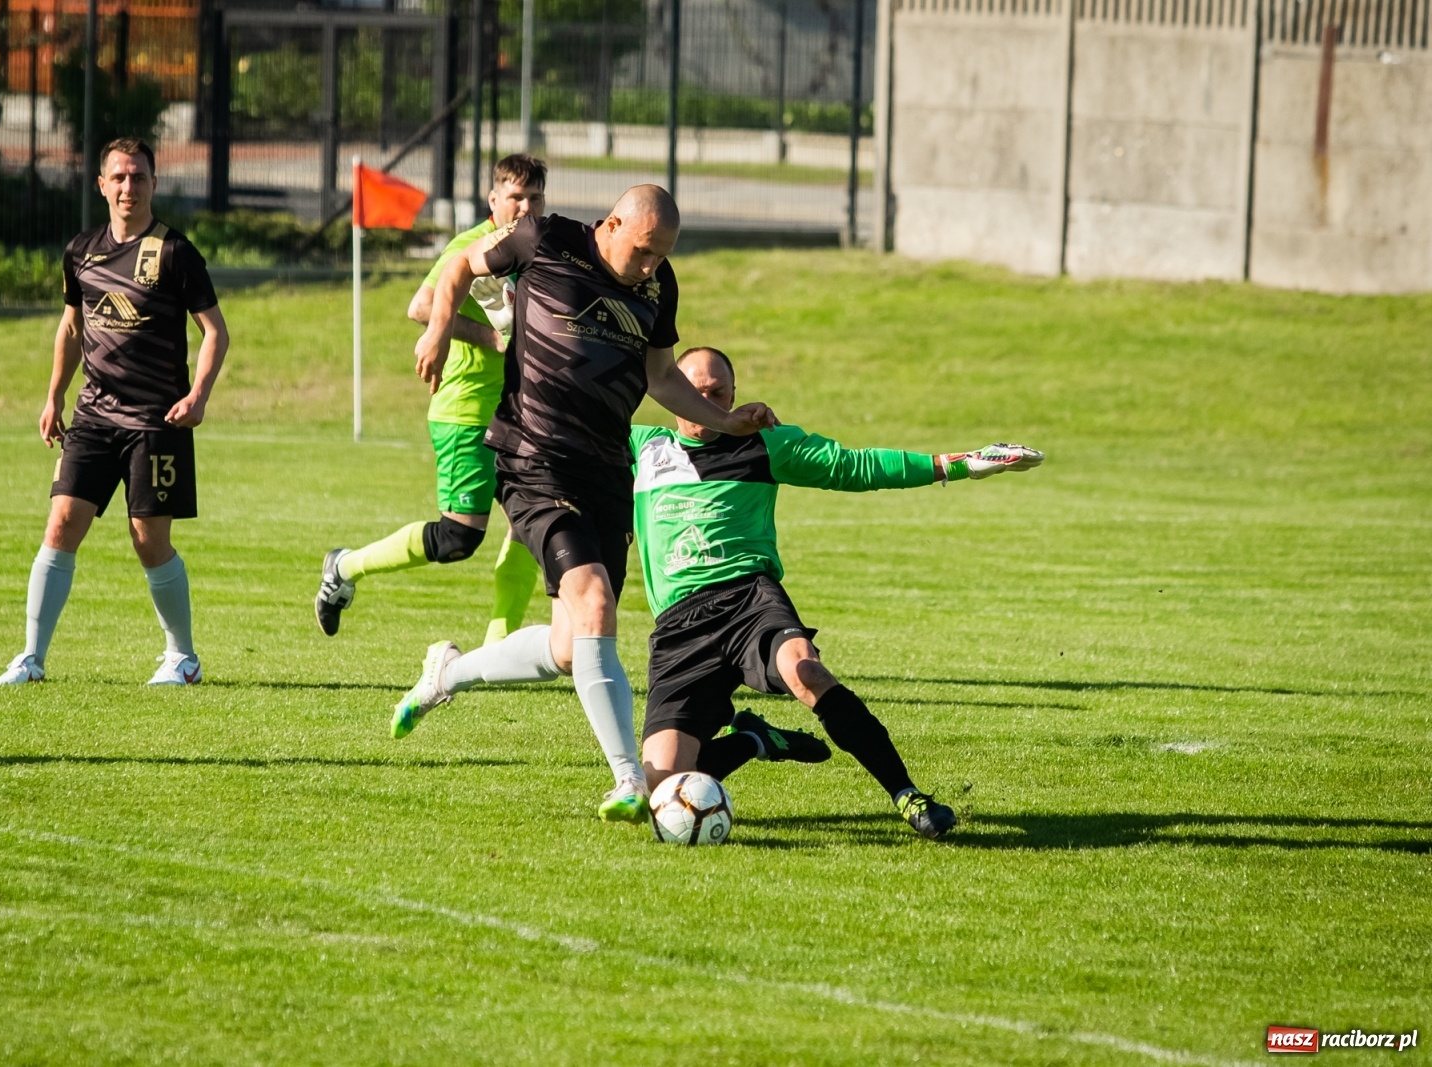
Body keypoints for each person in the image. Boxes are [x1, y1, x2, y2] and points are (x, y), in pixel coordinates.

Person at [393, 186, 779, 823]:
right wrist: (439, 329)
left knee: (574, 647)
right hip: (533, 457)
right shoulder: (547, 239)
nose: (651, 265)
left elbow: (660, 379)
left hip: (605, 472)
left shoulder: (659, 286)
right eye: (644, 249)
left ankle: (449, 673)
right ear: (614, 223)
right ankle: (629, 780)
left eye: (663, 255)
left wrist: (726, 420)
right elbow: (461, 265)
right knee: (596, 600)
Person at [634, 347, 1044, 840]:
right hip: (680, 627)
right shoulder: (640, 447)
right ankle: (752, 740)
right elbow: (548, 432)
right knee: (656, 788)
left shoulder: (766, 444)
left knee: (804, 669)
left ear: (733, 395)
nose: (706, 400)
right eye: (694, 391)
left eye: (717, 392)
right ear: (670, 392)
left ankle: (907, 796)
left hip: (747, 599)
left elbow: (857, 466)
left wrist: (958, 464)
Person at [0, 137, 229, 686]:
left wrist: (198, 395)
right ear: (101, 185)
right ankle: (31, 657)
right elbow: (72, 327)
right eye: (119, 177)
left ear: (153, 183)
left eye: (139, 177)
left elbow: (215, 331)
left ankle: (181, 657)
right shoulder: (81, 250)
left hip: (156, 422)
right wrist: (53, 396)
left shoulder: (174, 252)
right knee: (60, 524)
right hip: (94, 415)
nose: (129, 187)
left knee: (149, 539)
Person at [314, 155, 547, 647]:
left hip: (521, 415)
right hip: (467, 410)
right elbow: (419, 306)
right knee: (459, 539)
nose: (525, 207)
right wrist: (490, 340)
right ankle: (345, 566)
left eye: (534, 198)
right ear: (493, 200)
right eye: (515, 197)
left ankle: (497, 646)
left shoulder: (538, 252)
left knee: (533, 521)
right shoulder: (470, 247)